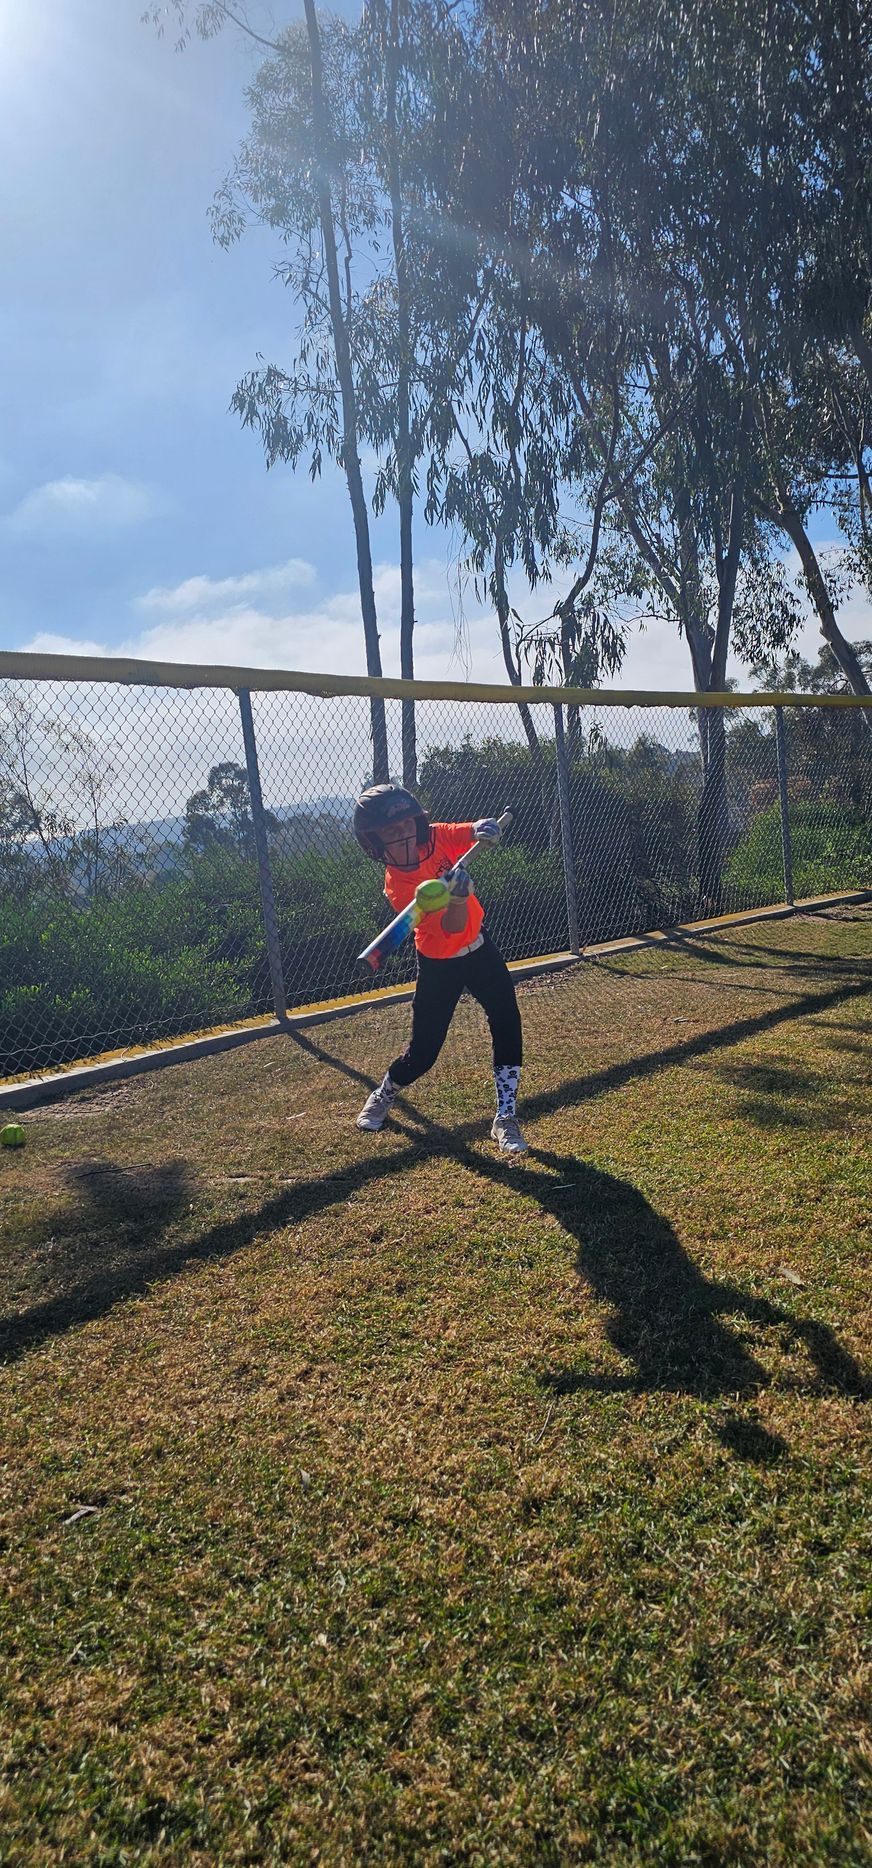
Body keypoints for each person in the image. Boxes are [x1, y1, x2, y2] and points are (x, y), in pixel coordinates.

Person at [352, 784, 527, 1154]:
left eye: (405, 825)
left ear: (416, 821)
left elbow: (460, 832)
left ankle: (505, 1117)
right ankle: (385, 1092)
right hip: (439, 964)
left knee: (507, 1021)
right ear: (375, 840)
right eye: (391, 830)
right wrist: (458, 898)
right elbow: (449, 929)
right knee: (424, 1053)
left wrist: (482, 827)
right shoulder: (400, 887)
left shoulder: (431, 839)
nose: (402, 834)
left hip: (481, 950)